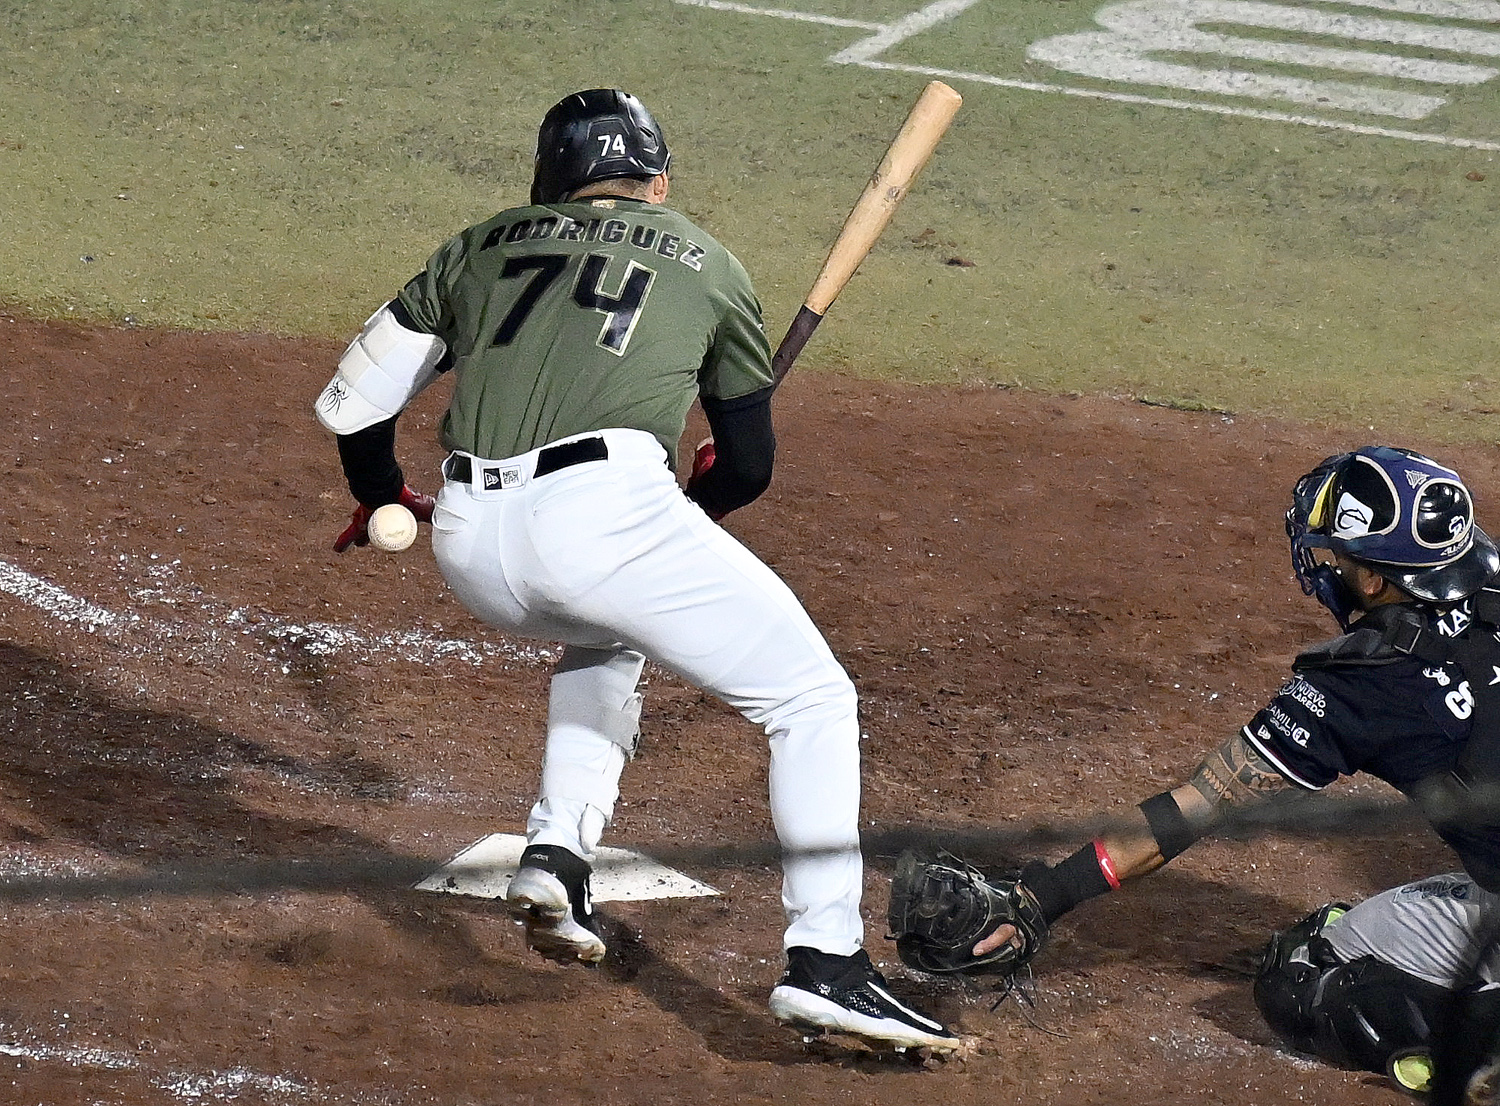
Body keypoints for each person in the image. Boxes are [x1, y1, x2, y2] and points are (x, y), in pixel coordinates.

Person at [314, 88, 956, 1054]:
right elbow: (748, 466)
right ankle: (828, 962)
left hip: (468, 540)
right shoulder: (710, 264)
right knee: (812, 698)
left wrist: (379, 494)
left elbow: (357, 404)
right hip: (603, 524)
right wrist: (703, 492)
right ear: (656, 180)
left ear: (550, 181)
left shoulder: (479, 244)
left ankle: (559, 851)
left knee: (612, 630)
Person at [887, 445, 1500, 1099]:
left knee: (1308, 973)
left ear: (1374, 582)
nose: (1331, 566)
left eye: (1341, 558)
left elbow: (1202, 803)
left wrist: (1044, 896)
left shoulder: (1359, 684)